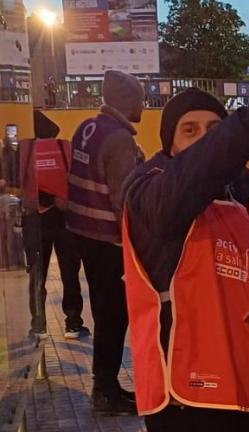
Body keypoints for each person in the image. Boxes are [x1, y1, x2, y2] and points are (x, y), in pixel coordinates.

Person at [122, 53, 249, 430]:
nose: (204, 138)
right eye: (189, 130)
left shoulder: (230, 199)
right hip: (182, 390)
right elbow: (194, 175)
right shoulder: (151, 188)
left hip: (234, 382)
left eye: (214, 128)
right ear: (170, 144)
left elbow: (228, 290)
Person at [66, 70, 145, 415]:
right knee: (114, 315)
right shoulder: (120, 140)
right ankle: (105, 391)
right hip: (106, 239)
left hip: (81, 232)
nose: (143, 105)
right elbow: (123, 200)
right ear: (126, 101)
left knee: (104, 311)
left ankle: (107, 386)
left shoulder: (86, 127)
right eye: (140, 99)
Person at [20, 110, 87, 339]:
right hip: (65, 217)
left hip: (35, 219)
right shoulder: (64, 147)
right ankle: (74, 323)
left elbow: (17, 185)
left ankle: (38, 324)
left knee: (37, 273)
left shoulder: (25, 152)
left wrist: (43, 199)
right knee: (70, 271)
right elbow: (79, 177)